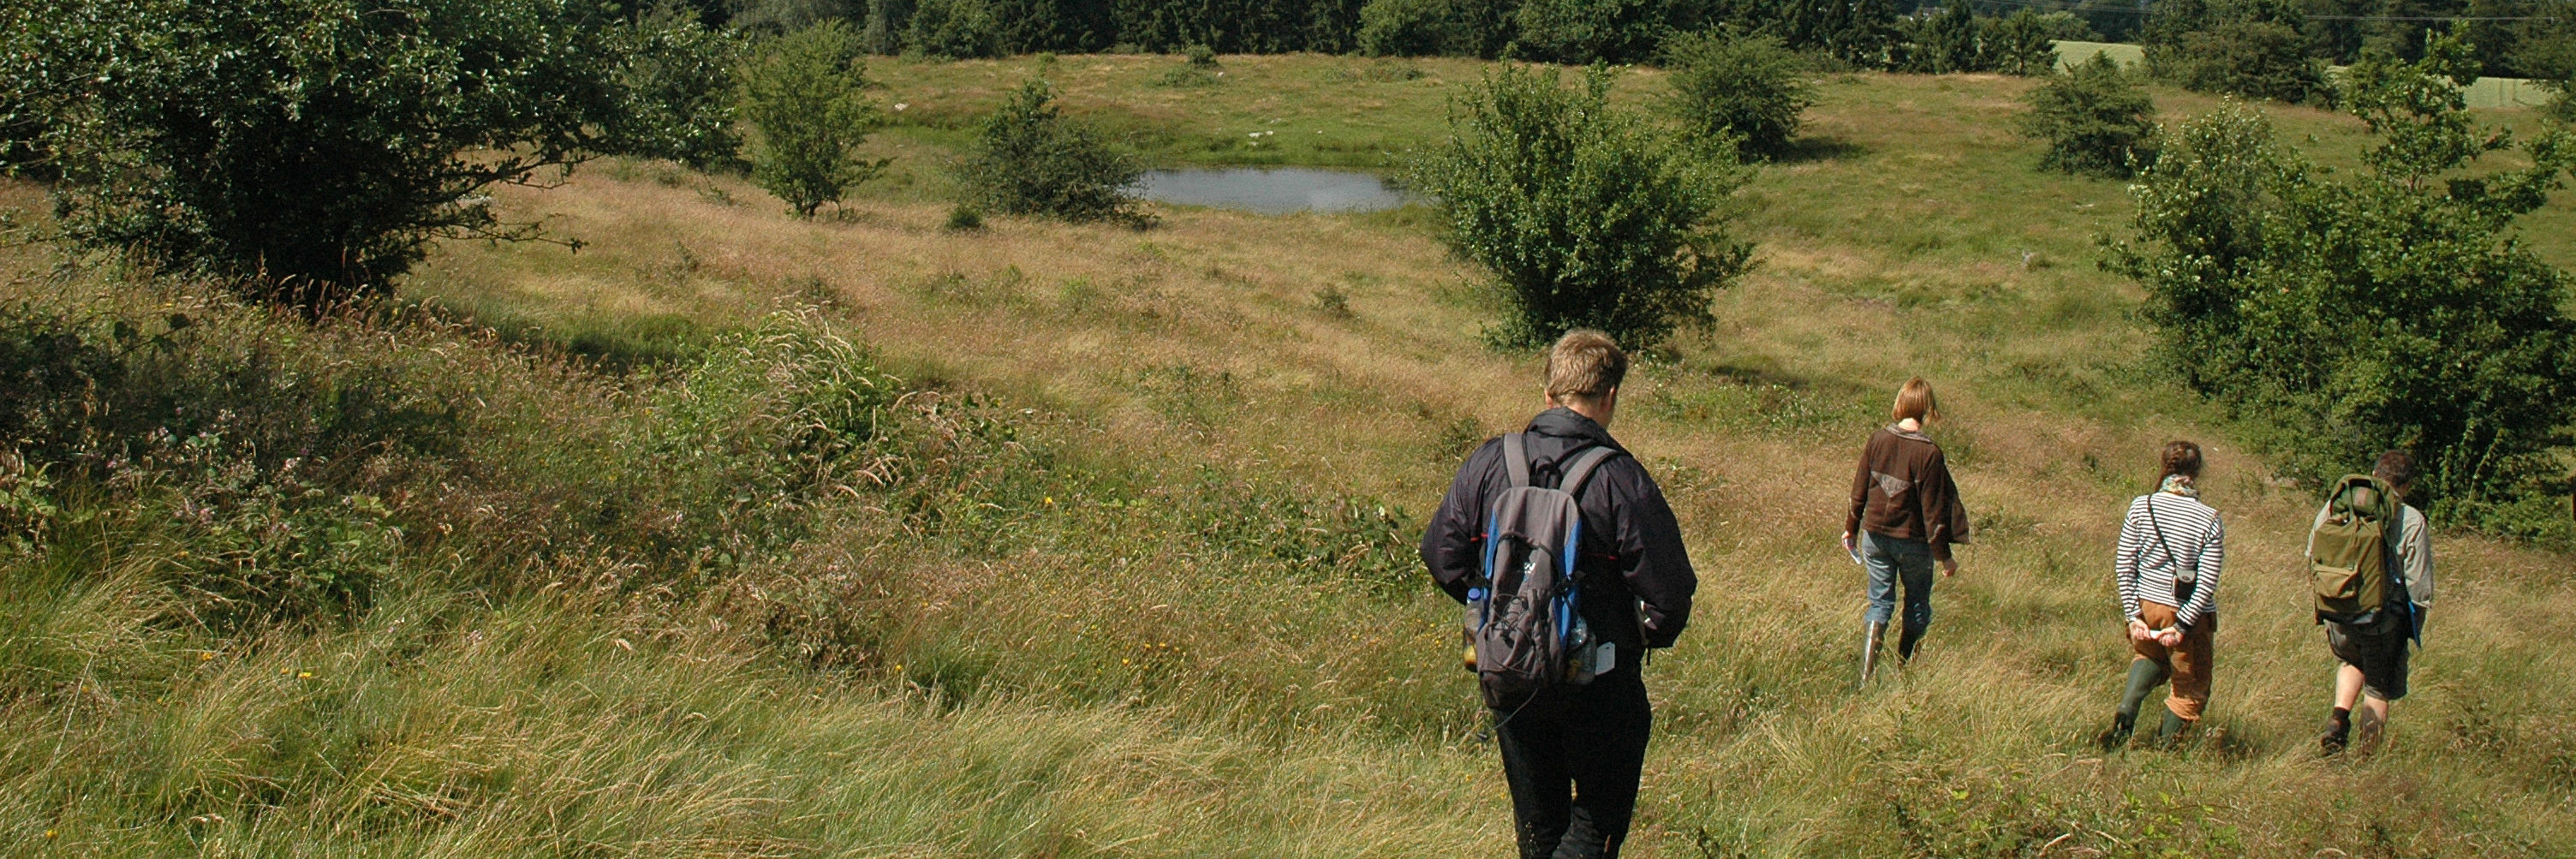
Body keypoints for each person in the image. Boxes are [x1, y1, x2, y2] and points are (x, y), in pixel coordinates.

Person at [1421, 330, 1696, 859]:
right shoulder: (1620, 479)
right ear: (1609, 397)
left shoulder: (1489, 462)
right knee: (1596, 827)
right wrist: (1631, 638)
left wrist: (1505, 615)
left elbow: (1441, 555)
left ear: (1549, 394)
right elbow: (1671, 595)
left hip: (1512, 674)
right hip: (1600, 681)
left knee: (1539, 829)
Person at [1842, 377, 1971, 683]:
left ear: (1900, 404)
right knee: (1916, 603)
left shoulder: (1878, 440)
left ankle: (1865, 679)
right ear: (1928, 410)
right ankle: (1906, 676)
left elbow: (1859, 489)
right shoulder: (1930, 453)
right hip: (1913, 544)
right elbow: (1933, 513)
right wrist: (1945, 557)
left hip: (1874, 538)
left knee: (1880, 603)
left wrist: (1851, 528)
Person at [2101, 441, 2226, 747]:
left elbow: (2124, 565)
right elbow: (2207, 582)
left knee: (2148, 657)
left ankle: (2127, 711)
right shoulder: (2209, 519)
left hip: (2148, 607)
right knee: (2191, 686)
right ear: (2197, 472)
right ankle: (2163, 754)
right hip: (2186, 615)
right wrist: (2182, 626)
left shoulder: (2141, 505)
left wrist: (2133, 616)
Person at [2317, 450, 2435, 755]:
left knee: (2352, 661)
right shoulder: (2411, 519)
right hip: (2383, 620)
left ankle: (2338, 718)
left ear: (2375, 472)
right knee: (2378, 687)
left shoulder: (2337, 505)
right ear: (2407, 484)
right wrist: (2414, 627)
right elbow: (2419, 586)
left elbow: (2312, 557)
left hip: (2339, 610)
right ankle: (2366, 760)